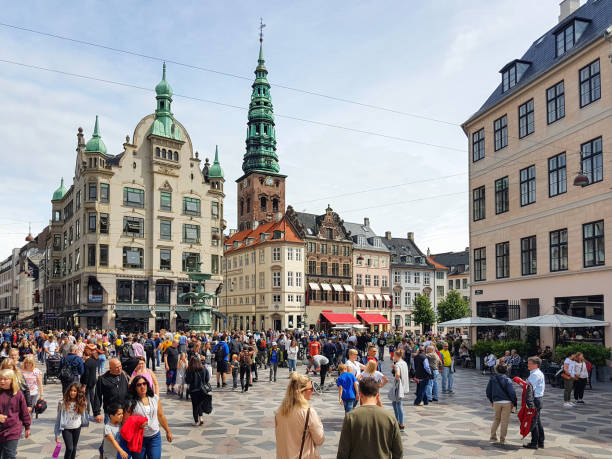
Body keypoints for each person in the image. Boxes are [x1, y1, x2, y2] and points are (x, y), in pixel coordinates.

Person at [336, 378, 403, 459]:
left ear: (360, 395)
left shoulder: (351, 417)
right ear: (378, 395)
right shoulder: (390, 417)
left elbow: (343, 449)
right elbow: (398, 450)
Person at [120, 376, 173, 458]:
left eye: (144, 384)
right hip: (138, 438)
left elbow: (161, 415)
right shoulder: (131, 403)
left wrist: (168, 431)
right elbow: (125, 422)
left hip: (154, 437)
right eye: (139, 385)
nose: (142, 386)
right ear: (135, 387)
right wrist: (137, 425)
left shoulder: (154, 398)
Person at [274, 373, 324, 459]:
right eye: (311, 388)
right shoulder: (308, 412)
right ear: (302, 391)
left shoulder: (279, 412)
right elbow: (319, 440)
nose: (312, 391)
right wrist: (320, 424)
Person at [0, 369, 31, 458]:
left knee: (9, 455)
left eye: (5, 379)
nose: (2, 381)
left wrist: (27, 427)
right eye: (0, 378)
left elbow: (24, 412)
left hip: (12, 429)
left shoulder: (18, 394)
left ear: (12, 380)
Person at [54, 382, 89, 459]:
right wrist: (57, 434)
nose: (72, 393)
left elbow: (86, 416)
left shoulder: (82, 403)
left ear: (78, 392)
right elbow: (58, 419)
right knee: (69, 448)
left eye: (75, 391)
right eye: (71, 390)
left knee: (74, 448)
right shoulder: (62, 403)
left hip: (77, 427)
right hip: (66, 428)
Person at [486, 363, 517, 445]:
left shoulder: (492, 379)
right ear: (506, 370)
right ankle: (502, 439)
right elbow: (512, 393)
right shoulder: (507, 380)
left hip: (496, 402)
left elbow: (488, 391)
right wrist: (514, 402)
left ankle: (492, 437)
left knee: (496, 419)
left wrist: (491, 401)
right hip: (507, 403)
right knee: (504, 421)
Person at [93, 358, 130, 424]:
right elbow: (97, 396)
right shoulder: (102, 379)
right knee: (110, 433)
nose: (119, 369)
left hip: (124, 411)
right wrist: (97, 413)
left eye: (120, 366)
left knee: (124, 433)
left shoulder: (124, 375)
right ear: (110, 368)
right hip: (110, 413)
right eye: (116, 367)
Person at [524, 356, 545, 450]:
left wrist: (529, 403)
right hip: (538, 398)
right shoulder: (535, 373)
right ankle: (540, 441)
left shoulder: (535, 374)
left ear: (536, 365)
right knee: (538, 421)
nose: (528, 365)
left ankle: (534, 443)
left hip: (535, 399)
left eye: (530, 363)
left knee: (534, 422)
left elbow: (529, 388)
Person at [184, 356, 212, 426]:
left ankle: (196, 421)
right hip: (202, 390)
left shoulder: (189, 370)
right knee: (200, 404)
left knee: (195, 406)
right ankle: (201, 418)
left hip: (193, 390)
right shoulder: (204, 369)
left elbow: (187, 381)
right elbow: (207, 379)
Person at [390, 349, 410, 430]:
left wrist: (397, 380)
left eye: (394, 356)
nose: (393, 357)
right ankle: (397, 421)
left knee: (398, 404)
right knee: (395, 403)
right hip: (404, 385)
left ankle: (400, 423)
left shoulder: (398, 364)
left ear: (397, 356)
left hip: (399, 386)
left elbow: (397, 374)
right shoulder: (404, 363)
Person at [80, 348, 98, 416]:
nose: (82, 357)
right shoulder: (94, 361)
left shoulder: (86, 363)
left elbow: (86, 375)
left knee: (86, 398)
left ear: (85, 355)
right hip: (93, 381)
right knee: (92, 397)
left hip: (87, 382)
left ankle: (87, 413)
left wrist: (84, 385)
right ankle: (95, 412)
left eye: (83, 355)